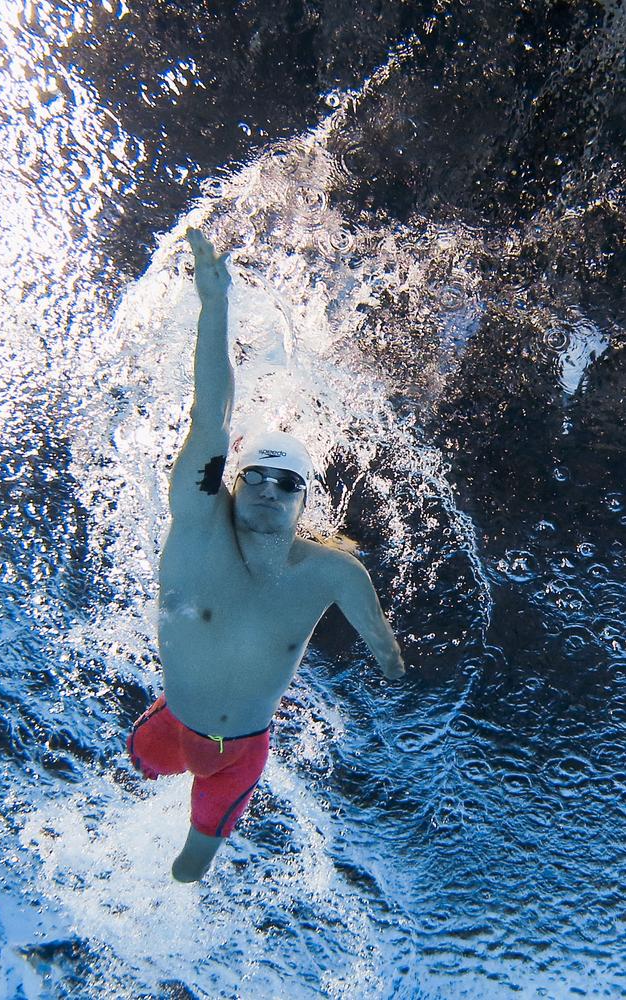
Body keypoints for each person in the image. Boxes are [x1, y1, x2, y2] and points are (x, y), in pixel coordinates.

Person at [127, 229, 406, 882]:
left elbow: (383, 647)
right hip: (173, 725)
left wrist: (394, 672)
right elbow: (210, 419)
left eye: (288, 483)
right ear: (234, 477)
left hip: (241, 757)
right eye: (257, 474)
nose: (270, 491)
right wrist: (214, 304)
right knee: (127, 772)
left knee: (187, 872)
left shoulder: (334, 572)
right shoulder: (198, 521)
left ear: (304, 498)